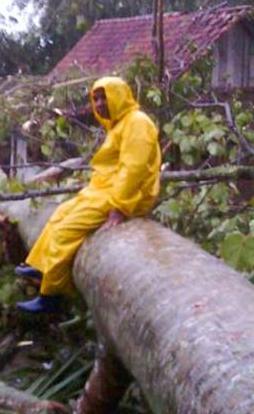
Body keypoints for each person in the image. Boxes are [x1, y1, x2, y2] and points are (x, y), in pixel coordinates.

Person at [15, 77, 161, 313]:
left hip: (125, 195)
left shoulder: (137, 123)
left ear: (119, 95)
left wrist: (119, 208)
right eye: (96, 99)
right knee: (60, 213)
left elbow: (134, 169)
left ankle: (51, 296)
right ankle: (40, 265)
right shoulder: (119, 124)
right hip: (105, 189)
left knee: (66, 230)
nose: (100, 104)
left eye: (105, 97)